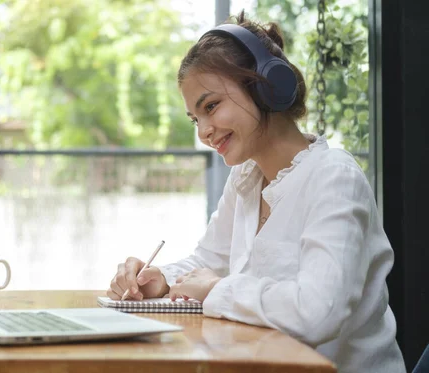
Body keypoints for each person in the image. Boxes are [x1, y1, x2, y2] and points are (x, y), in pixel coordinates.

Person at [107, 11, 406, 373]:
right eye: (195, 119)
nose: (203, 131)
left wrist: (218, 290)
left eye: (211, 106)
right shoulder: (246, 178)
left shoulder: (335, 178)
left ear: (266, 86)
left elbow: (318, 312)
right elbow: (208, 263)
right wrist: (161, 281)